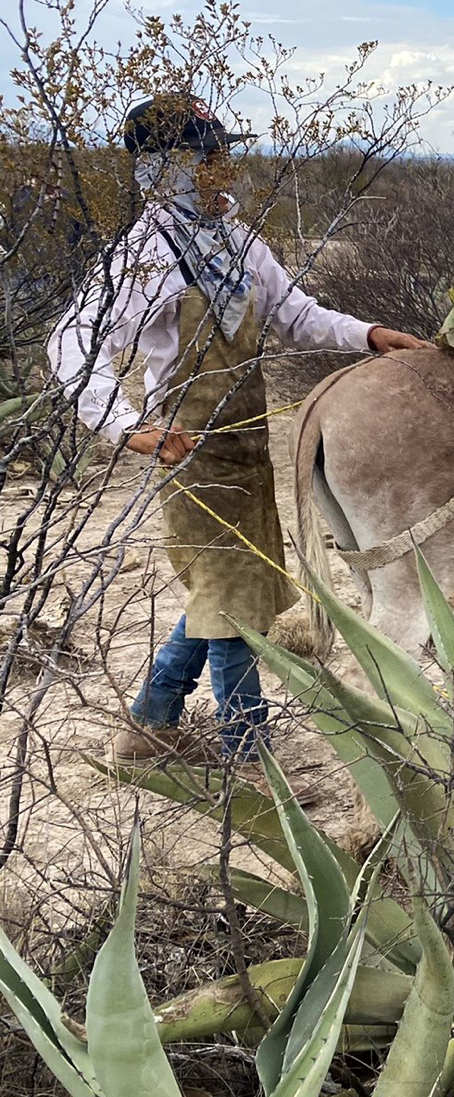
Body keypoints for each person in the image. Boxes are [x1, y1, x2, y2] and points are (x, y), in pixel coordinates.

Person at [49, 93, 428, 765]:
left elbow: (298, 315)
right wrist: (127, 425)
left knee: (230, 592)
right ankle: (246, 757)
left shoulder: (239, 241)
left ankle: (151, 721)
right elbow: (74, 343)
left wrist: (369, 336)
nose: (226, 167)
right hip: (189, 452)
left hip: (248, 451)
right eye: (208, 155)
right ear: (164, 170)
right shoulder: (143, 254)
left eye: (223, 153)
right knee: (232, 605)